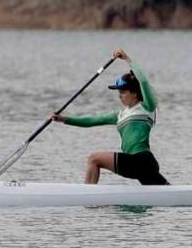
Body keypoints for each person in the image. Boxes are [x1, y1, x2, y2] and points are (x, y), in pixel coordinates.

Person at [51, 48, 169, 185]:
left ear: (135, 93)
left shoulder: (147, 107)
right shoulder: (119, 114)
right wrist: (64, 119)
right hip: (138, 165)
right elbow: (91, 121)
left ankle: (87, 194)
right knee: (169, 193)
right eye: (119, 92)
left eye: (123, 92)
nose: (120, 96)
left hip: (141, 161)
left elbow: (143, 81)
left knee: (93, 159)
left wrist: (127, 59)